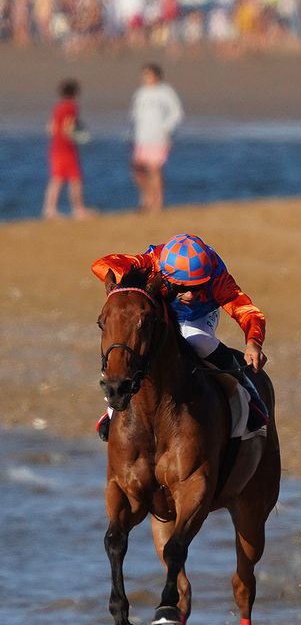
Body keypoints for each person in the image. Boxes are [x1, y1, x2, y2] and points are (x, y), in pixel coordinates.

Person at [90, 233, 269, 441]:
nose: (191, 295)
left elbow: (247, 311)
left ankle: (250, 393)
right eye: (182, 287)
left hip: (199, 316)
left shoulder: (218, 277)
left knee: (196, 340)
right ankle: (112, 410)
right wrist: (127, 281)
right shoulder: (153, 262)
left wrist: (253, 342)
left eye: (197, 287)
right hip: (161, 311)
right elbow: (102, 265)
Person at [130, 63, 183, 213]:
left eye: (148, 74)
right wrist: (132, 134)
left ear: (156, 75)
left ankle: (158, 202)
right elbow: (134, 115)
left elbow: (176, 113)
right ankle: (147, 197)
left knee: (154, 169)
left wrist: (166, 129)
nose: (145, 78)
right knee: (137, 169)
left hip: (158, 137)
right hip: (141, 137)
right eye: (144, 75)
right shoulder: (141, 93)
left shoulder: (165, 92)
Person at [43, 78, 91, 220]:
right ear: (75, 93)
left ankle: (49, 210)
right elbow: (68, 127)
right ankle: (79, 210)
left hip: (55, 147)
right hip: (66, 148)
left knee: (56, 180)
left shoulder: (58, 107)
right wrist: (79, 138)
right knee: (75, 180)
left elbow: (51, 128)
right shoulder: (71, 107)